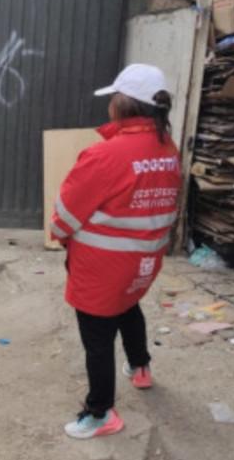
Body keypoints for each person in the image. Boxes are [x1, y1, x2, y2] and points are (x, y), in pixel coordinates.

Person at [49, 64, 180, 440]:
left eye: (112, 99)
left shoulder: (105, 155)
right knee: (127, 305)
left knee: (97, 338)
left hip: (102, 267)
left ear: (123, 104)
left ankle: (100, 411)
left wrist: (58, 234)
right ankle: (140, 368)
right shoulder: (166, 148)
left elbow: (67, 214)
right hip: (143, 260)